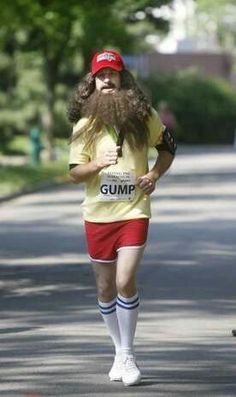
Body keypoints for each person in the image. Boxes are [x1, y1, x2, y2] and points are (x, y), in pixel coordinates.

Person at [67, 49, 176, 387]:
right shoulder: (85, 125)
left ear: (123, 79)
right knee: (104, 287)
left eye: (113, 74)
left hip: (134, 210)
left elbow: (168, 147)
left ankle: (128, 355)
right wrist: (97, 162)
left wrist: (155, 175)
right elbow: (74, 173)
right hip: (98, 214)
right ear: (93, 83)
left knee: (124, 280)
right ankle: (118, 351)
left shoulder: (144, 116)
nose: (108, 80)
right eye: (101, 76)